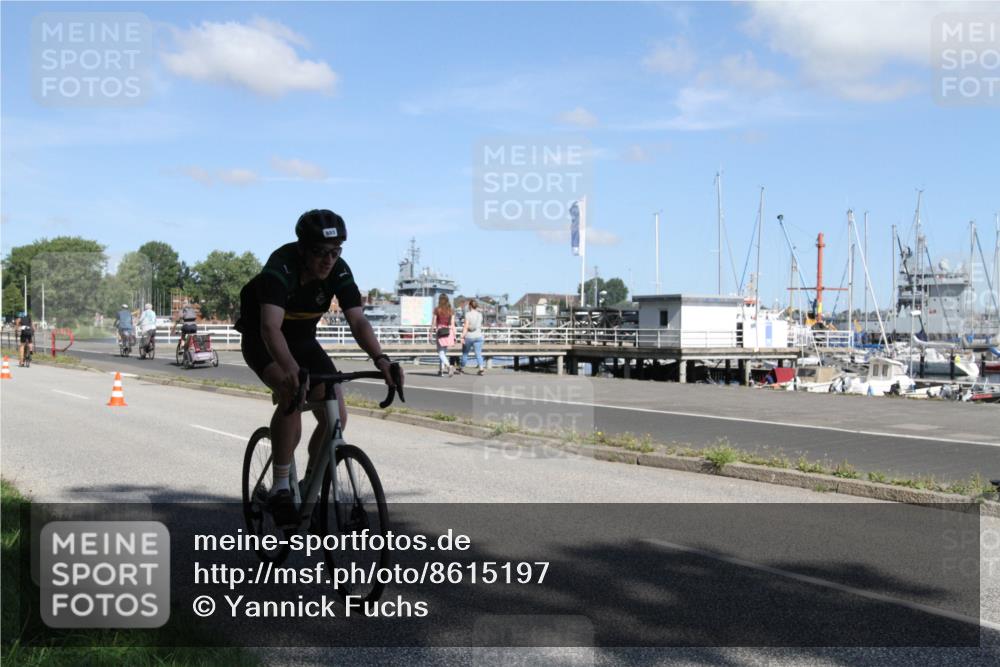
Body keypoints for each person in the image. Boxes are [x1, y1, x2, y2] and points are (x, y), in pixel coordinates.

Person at [234, 209, 397, 527]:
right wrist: (291, 369)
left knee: (337, 409)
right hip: (264, 338)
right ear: (303, 249)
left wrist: (381, 359)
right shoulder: (280, 266)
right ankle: (282, 486)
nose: (328, 260)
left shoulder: (339, 270)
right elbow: (269, 328)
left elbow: (358, 320)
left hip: (303, 339)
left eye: (335, 252)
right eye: (320, 253)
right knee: (291, 389)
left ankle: (309, 485)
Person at [458, 298, 486, 375]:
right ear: (476, 306)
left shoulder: (467, 314)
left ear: (470, 306)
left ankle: (461, 368)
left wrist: (462, 336)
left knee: (465, 353)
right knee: (478, 354)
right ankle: (481, 368)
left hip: (469, 336)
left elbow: (466, 326)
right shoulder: (480, 314)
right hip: (478, 336)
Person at [432, 294, 455, 377]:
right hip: (448, 331)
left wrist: (431, 332)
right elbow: (452, 324)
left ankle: (449, 366)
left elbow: (434, 322)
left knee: (440, 353)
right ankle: (441, 370)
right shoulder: (451, 310)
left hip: (440, 331)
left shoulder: (437, 309)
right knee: (443, 352)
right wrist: (454, 335)